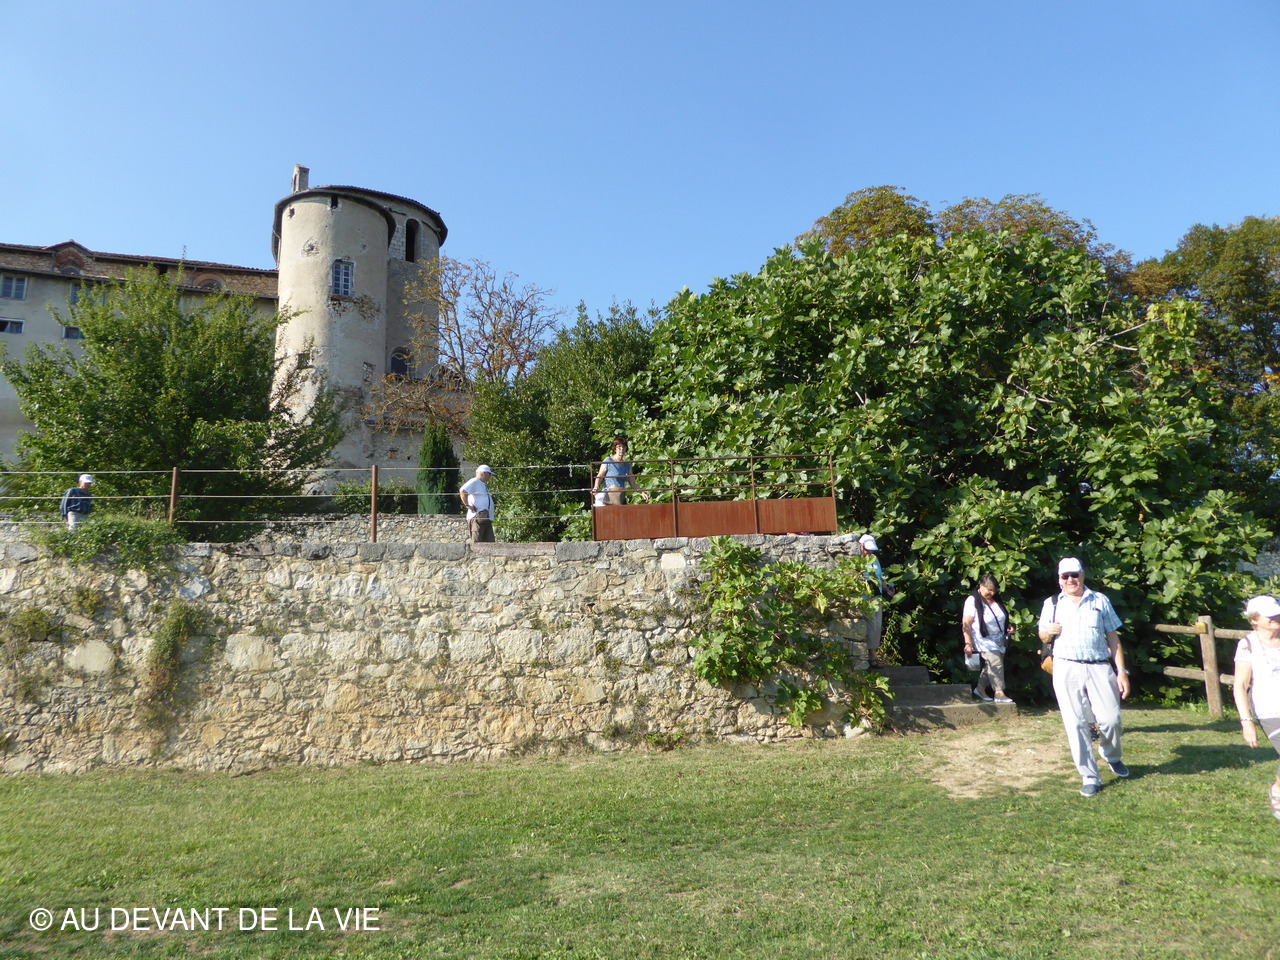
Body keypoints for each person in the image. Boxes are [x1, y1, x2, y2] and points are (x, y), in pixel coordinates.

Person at [1038, 557, 1130, 797]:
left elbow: (1113, 638)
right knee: (1076, 723)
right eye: (1065, 576)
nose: (1070, 580)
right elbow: (1042, 636)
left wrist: (1122, 671)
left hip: (1099, 666)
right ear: (1059, 580)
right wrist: (1049, 633)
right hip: (1065, 667)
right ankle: (1090, 776)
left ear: (1083, 576)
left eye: (1074, 575)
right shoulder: (1051, 603)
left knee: (1111, 720)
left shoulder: (1100, 600)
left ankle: (1111, 755)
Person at [1233, 595, 1280, 821]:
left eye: (1277, 613)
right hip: (1268, 710)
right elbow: (1240, 686)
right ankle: (1278, 790)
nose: (1276, 618)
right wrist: (1247, 722)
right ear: (1254, 620)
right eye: (1270, 615)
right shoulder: (1248, 644)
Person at [963, 574, 1015, 704]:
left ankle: (980, 689)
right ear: (981, 586)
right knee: (995, 661)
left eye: (993, 590)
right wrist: (968, 643)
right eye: (988, 589)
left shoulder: (996, 599)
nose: (991, 593)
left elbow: (1001, 617)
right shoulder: (972, 600)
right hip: (982, 638)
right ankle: (999, 693)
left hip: (999, 639)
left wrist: (1008, 628)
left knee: (992, 665)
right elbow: (966, 623)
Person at [858, 533, 889, 668]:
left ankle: (872, 653)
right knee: (871, 625)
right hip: (865, 598)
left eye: (871, 550)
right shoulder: (856, 560)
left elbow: (879, 577)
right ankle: (872, 655)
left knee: (877, 625)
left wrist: (887, 589)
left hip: (877, 597)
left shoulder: (874, 559)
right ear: (861, 546)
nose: (869, 552)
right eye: (867, 549)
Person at [594, 437, 649, 506]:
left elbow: (633, 484)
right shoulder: (608, 461)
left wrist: (642, 493)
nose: (621, 449)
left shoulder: (627, 465)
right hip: (608, 497)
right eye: (619, 447)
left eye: (623, 447)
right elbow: (600, 476)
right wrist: (596, 487)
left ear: (626, 449)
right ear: (615, 448)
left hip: (620, 498)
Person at [458, 465, 495, 543]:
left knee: (490, 543)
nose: (490, 477)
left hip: (485, 518)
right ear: (484, 473)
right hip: (477, 517)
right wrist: (467, 505)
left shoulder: (481, 484)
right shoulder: (475, 481)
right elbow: (463, 490)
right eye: (489, 474)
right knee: (477, 542)